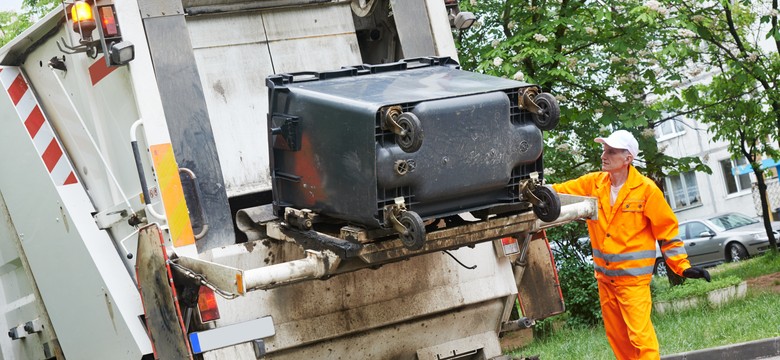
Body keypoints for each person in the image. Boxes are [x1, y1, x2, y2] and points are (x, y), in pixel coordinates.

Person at [551, 130, 711, 360]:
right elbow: (558, 192)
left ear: (628, 158)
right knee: (619, 339)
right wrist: (533, 191)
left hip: (633, 282)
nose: (604, 155)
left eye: (611, 151)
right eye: (604, 150)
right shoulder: (593, 183)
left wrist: (682, 267)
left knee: (640, 339)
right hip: (606, 281)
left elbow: (666, 231)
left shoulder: (646, 190)